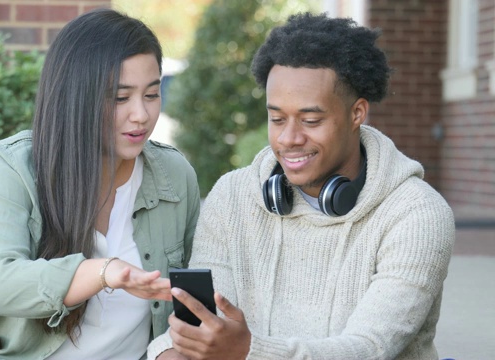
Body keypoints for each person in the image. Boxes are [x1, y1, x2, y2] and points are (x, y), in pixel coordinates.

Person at [148, 12, 454, 360]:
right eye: (276, 118)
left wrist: (247, 351)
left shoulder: (417, 215)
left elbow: (369, 349)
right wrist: (173, 350)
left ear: (357, 114)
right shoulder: (233, 196)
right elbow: (203, 326)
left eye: (310, 120)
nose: (289, 138)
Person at [0, 8, 200, 359]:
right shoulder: (11, 167)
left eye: (152, 94)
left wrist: (170, 350)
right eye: (120, 98)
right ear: (76, 96)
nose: (140, 115)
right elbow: (0, 285)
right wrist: (104, 273)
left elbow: (193, 303)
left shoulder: (174, 175)